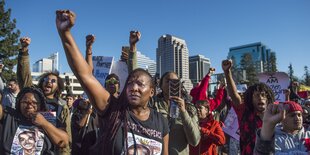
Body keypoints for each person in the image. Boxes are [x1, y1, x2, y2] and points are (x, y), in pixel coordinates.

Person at [56, 10, 169, 155]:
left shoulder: (161, 122)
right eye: (130, 83)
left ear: (152, 92)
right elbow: (85, 75)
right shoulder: (113, 109)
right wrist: (65, 34)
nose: (134, 88)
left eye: (140, 84)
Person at [17, 36, 72, 154]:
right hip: (26, 147)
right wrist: (24, 52)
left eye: (53, 81)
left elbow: (65, 138)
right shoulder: (33, 96)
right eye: (46, 79)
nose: (48, 81)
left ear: (58, 87)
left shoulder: (61, 106)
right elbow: (24, 77)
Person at [222, 59, 275, 155]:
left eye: (263, 95)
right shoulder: (244, 112)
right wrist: (227, 72)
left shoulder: (275, 113)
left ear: (268, 98)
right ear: (250, 99)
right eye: (256, 95)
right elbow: (234, 95)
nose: (260, 98)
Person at [0, 86, 69, 155]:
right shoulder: (9, 115)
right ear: (19, 103)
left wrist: (44, 123)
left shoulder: (49, 118)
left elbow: (64, 142)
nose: (30, 105)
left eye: (35, 102)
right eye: (25, 102)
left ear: (41, 104)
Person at [151, 71, 200, 155]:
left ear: (179, 85)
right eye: (167, 81)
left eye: (175, 82)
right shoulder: (151, 104)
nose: (171, 84)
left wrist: (184, 112)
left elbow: (194, 141)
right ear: (161, 85)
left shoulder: (189, 108)